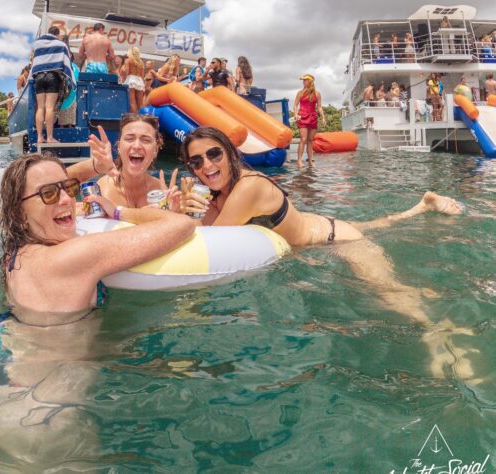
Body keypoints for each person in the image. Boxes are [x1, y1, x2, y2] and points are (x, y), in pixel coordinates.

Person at [177, 126, 471, 375]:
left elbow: (211, 239)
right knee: (381, 224)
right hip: (316, 227)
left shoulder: (248, 187)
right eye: (196, 162)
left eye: (214, 154)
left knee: (390, 293)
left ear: (230, 153)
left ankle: (441, 334)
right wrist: (189, 203)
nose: (207, 165)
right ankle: (424, 205)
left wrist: (185, 213)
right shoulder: (220, 197)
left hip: (336, 241)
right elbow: (210, 240)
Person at [0, 150, 194, 322]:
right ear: (18, 213)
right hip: (61, 364)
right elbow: (181, 224)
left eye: (69, 187)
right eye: (48, 193)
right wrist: (118, 211)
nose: (67, 199)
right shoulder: (73, 256)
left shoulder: (14, 255)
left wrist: (95, 166)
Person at [97, 113, 177, 208]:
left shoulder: (161, 191)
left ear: (155, 150)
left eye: (146, 140)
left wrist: (173, 212)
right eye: (130, 139)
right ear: (119, 147)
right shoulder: (102, 191)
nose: (137, 146)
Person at [31, 26, 76, 144]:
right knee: (49, 107)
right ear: (57, 34)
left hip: (39, 77)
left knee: (40, 108)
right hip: (52, 77)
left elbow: (34, 61)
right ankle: (50, 138)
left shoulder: (37, 44)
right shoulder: (60, 44)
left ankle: (40, 137)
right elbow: (67, 62)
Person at [293, 74, 325, 169]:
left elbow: (319, 107)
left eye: (305, 80)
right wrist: (295, 114)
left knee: (310, 140)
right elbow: (295, 105)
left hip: (313, 117)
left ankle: (310, 161)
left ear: (310, 81)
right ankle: (299, 160)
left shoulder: (317, 93)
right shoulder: (300, 93)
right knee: (303, 139)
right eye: (303, 80)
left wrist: (323, 117)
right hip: (303, 117)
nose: (303, 82)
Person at [57, 52, 80, 127]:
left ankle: (70, 125)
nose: (69, 55)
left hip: (73, 90)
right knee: (62, 107)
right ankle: (61, 126)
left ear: (72, 56)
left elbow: (78, 77)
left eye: (70, 54)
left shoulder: (76, 67)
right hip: (63, 89)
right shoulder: (62, 65)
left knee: (72, 108)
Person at [122, 47, 146, 113]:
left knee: (132, 102)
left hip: (131, 79)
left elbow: (126, 72)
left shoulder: (128, 60)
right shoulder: (141, 62)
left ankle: (134, 118)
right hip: (139, 80)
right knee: (140, 103)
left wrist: (123, 80)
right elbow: (142, 75)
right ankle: (142, 117)